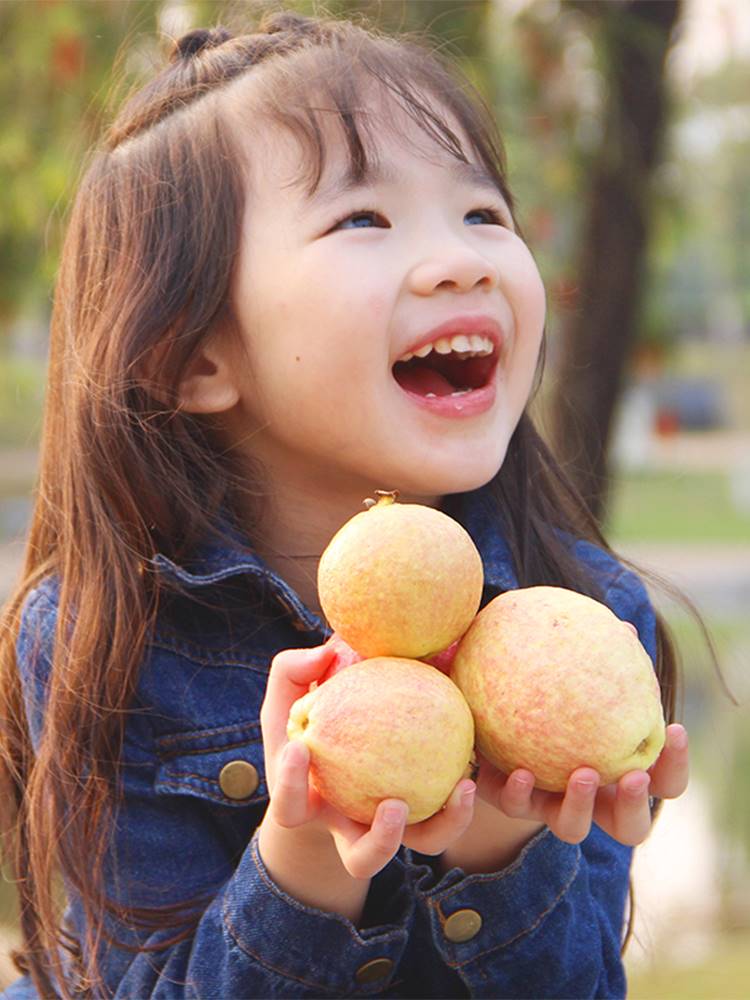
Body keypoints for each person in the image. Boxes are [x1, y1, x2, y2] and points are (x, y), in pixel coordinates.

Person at [0, 10, 691, 999]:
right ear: (196, 357)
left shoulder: (583, 615)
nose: (464, 259)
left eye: (484, 213)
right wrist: (307, 853)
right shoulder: (104, 636)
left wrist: (502, 830)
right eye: (363, 218)